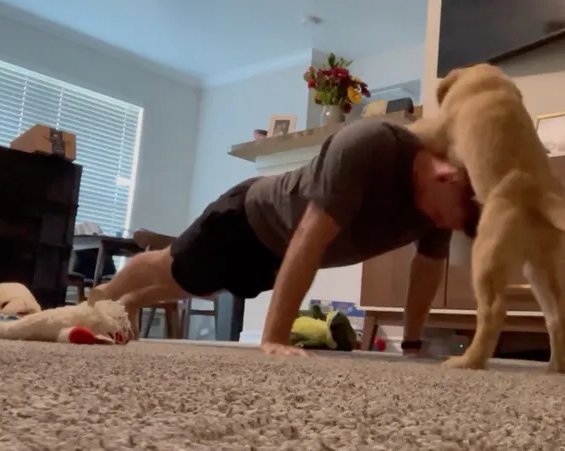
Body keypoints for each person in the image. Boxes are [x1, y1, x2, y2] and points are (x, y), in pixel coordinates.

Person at [88, 119, 476, 356]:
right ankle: (105, 297)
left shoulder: (441, 209)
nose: (438, 224)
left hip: (275, 254)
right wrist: (274, 337)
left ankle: (132, 300)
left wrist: (411, 344)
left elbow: (425, 273)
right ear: (448, 175)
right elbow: (308, 237)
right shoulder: (371, 145)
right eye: (442, 215)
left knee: (198, 286)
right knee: (170, 264)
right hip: (248, 217)